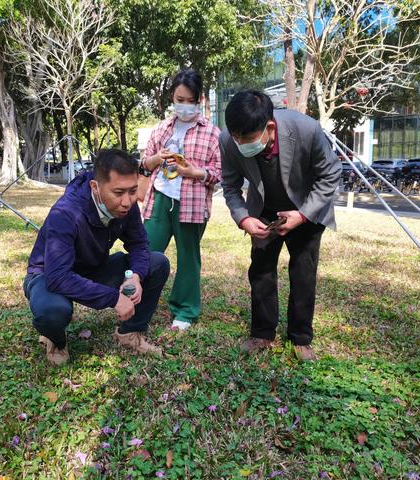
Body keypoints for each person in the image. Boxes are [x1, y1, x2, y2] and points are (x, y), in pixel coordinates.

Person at [219, 90, 341, 361]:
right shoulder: (229, 139)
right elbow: (229, 186)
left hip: (305, 207)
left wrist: (302, 215)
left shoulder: (306, 130)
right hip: (263, 210)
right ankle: (262, 333)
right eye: (235, 137)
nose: (239, 144)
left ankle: (300, 337)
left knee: (303, 272)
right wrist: (244, 218)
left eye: (246, 139)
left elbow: (330, 175)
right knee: (260, 271)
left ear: (269, 127)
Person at [23, 149, 170, 365]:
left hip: (92, 268)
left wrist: (135, 276)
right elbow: (58, 277)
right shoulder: (65, 213)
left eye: (132, 191)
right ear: (95, 187)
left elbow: (139, 244)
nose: (128, 201)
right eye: (118, 193)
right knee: (52, 311)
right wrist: (113, 298)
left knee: (157, 263)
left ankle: (130, 332)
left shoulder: (126, 207)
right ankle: (56, 339)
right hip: (49, 275)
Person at [140, 69, 221, 331]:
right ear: (172, 98)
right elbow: (145, 163)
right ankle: (136, 301)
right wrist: (157, 159)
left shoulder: (212, 133)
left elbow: (219, 173)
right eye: (179, 99)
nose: (184, 106)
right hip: (159, 200)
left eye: (190, 100)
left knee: (188, 257)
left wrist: (194, 172)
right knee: (146, 252)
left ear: (200, 100)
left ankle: (185, 311)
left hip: (192, 204)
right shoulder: (162, 128)